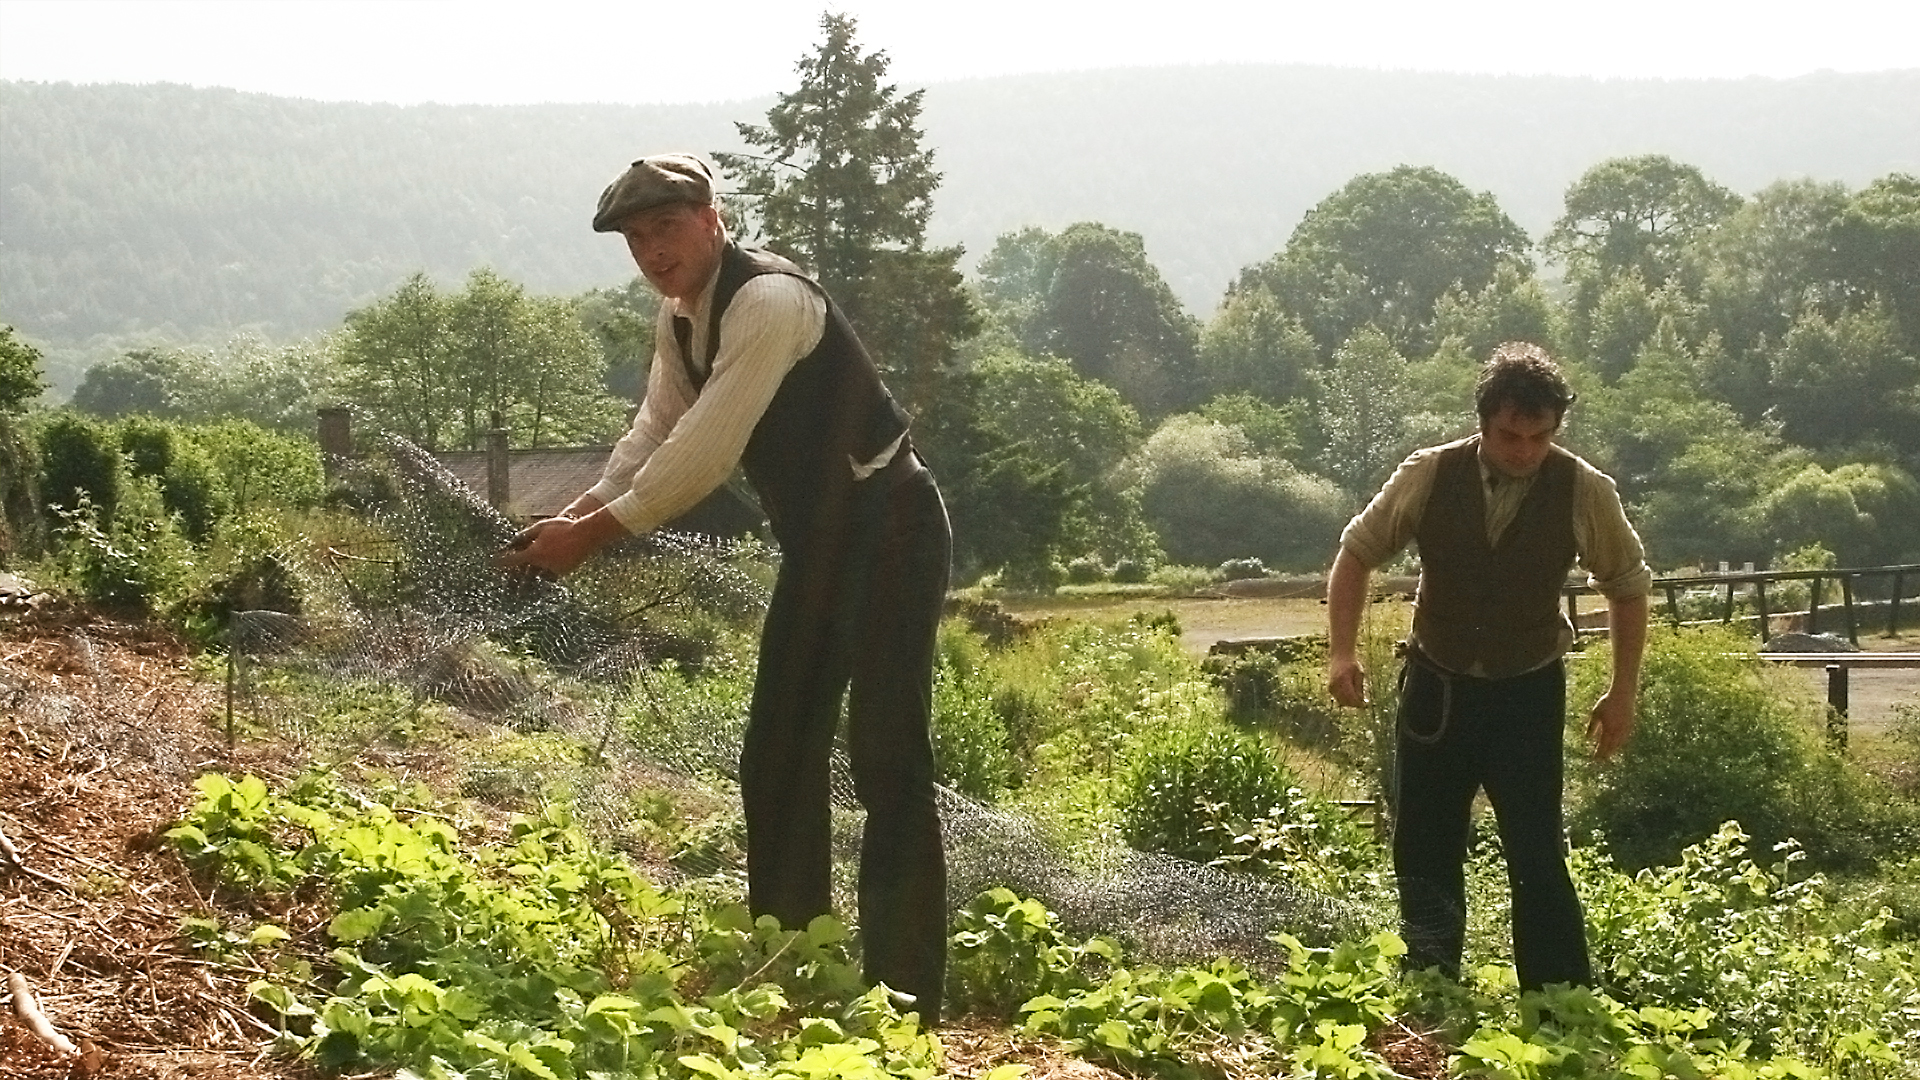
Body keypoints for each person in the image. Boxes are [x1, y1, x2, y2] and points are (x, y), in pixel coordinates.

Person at [499, 153, 951, 1023]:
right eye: (636, 239)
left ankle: (906, 1000)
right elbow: (653, 434)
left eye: (666, 228)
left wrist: (587, 538)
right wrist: (570, 514)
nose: (652, 252)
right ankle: (796, 964)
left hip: (892, 531)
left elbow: (702, 454)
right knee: (777, 750)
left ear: (712, 218)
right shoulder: (680, 318)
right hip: (821, 547)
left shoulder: (771, 303)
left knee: (888, 759)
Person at [1323, 342, 1650, 993]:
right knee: (1423, 845)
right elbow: (1356, 553)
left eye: (1540, 436)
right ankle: (1431, 987)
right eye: (1510, 435)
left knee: (1536, 850)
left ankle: (1558, 1002)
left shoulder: (1584, 488)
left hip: (1527, 690)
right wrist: (1341, 652)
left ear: (1555, 429)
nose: (1525, 450)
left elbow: (1629, 587)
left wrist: (1622, 692)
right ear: (1483, 423)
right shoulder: (1429, 473)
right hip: (1437, 685)